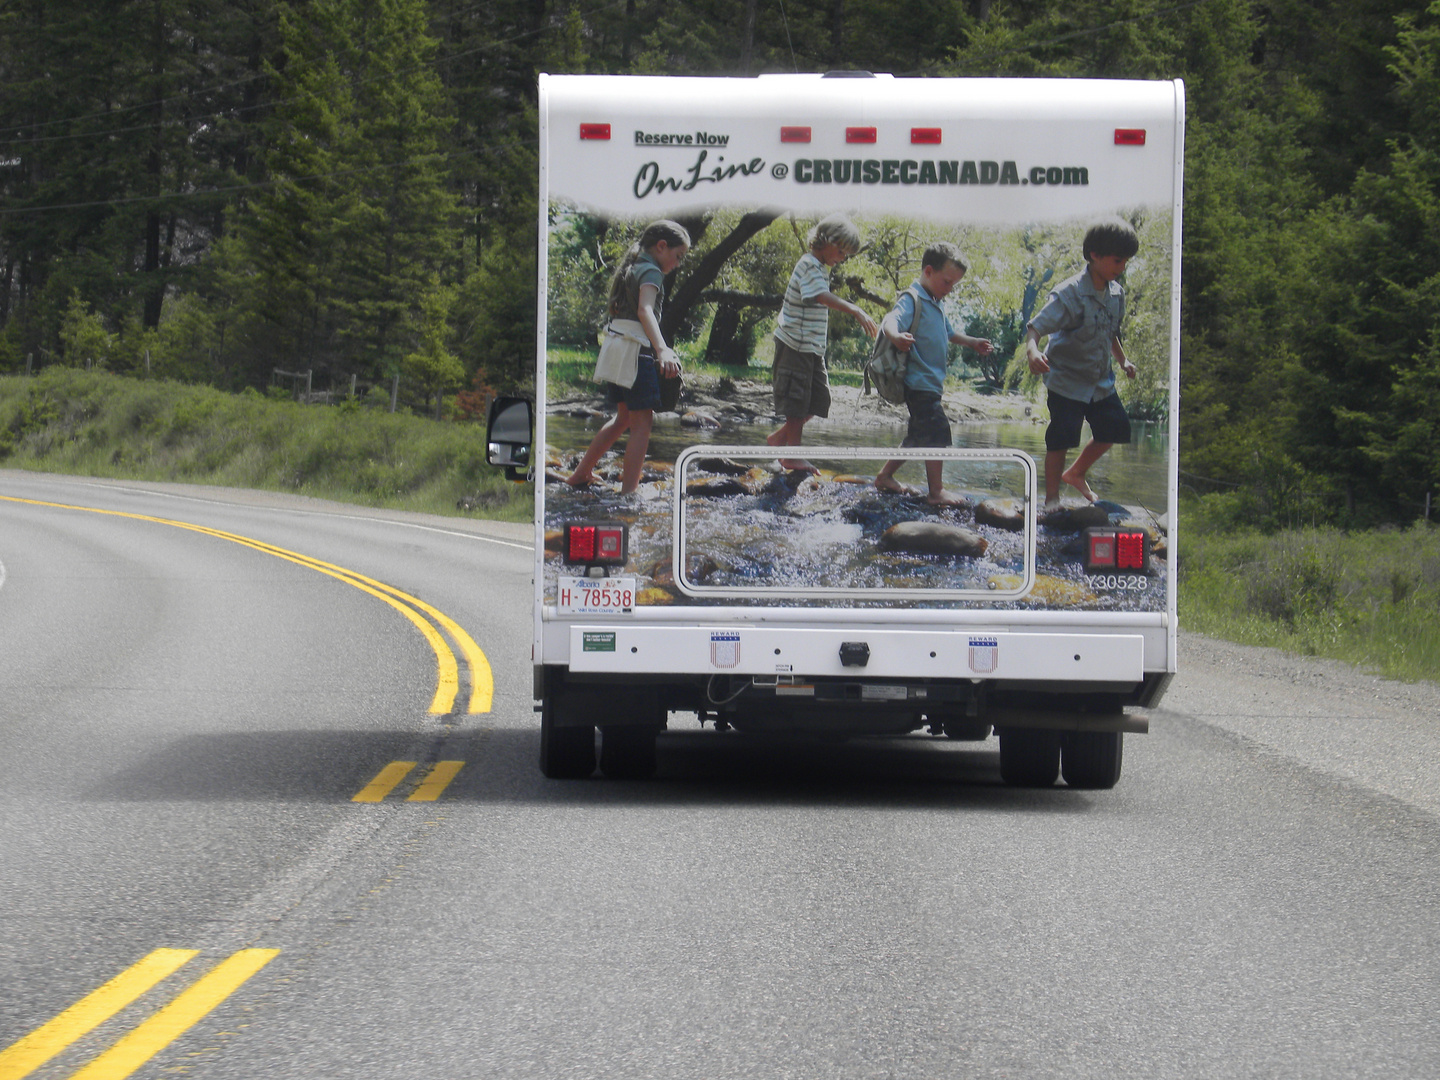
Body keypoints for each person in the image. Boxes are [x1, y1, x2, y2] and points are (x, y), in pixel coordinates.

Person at [1025, 217, 1140, 510]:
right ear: (1094, 256)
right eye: (1117, 260)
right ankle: (1051, 499)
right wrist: (1033, 351)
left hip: (1100, 381)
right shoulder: (1069, 293)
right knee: (1060, 438)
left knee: (1115, 429)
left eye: (1125, 261)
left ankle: (1075, 473)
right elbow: (1036, 327)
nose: (1122, 267)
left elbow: (1110, 332)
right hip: (1066, 379)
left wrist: (1123, 360)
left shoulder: (1117, 294)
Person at [567, 220, 690, 493]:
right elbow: (645, 311)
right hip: (637, 352)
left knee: (623, 418)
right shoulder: (652, 272)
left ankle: (581, 473)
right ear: (661, 247)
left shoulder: (632, 267)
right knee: (642, 424)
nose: (678, 264)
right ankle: (629, 493)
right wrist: (662, 349)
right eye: (677, 256)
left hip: (616, 348)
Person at [873, 242, 993, 507]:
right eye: (947, 282)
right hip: (918, 382)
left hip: (931, 383)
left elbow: (948, 333)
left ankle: (884, 476)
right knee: (937, 432)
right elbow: (889, 320)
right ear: (928, 271)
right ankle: (936, 492)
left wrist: (972, 342)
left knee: (918, 437)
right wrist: (895, 336)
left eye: (954, 285)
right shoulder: (912, 298)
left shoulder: (936, 302)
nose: (949, 290)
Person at [767, 215, 878, 473]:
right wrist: (855, 310)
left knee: (819, 400)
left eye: (846, 255)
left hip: (812, 348)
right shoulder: (808, 264)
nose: (841, 258)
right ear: (824, 241)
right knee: (796, 401)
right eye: (840, 251)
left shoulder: (819, 268)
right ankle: (792, 455)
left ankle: (779, 439)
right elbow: (818, 295)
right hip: (796, 344)